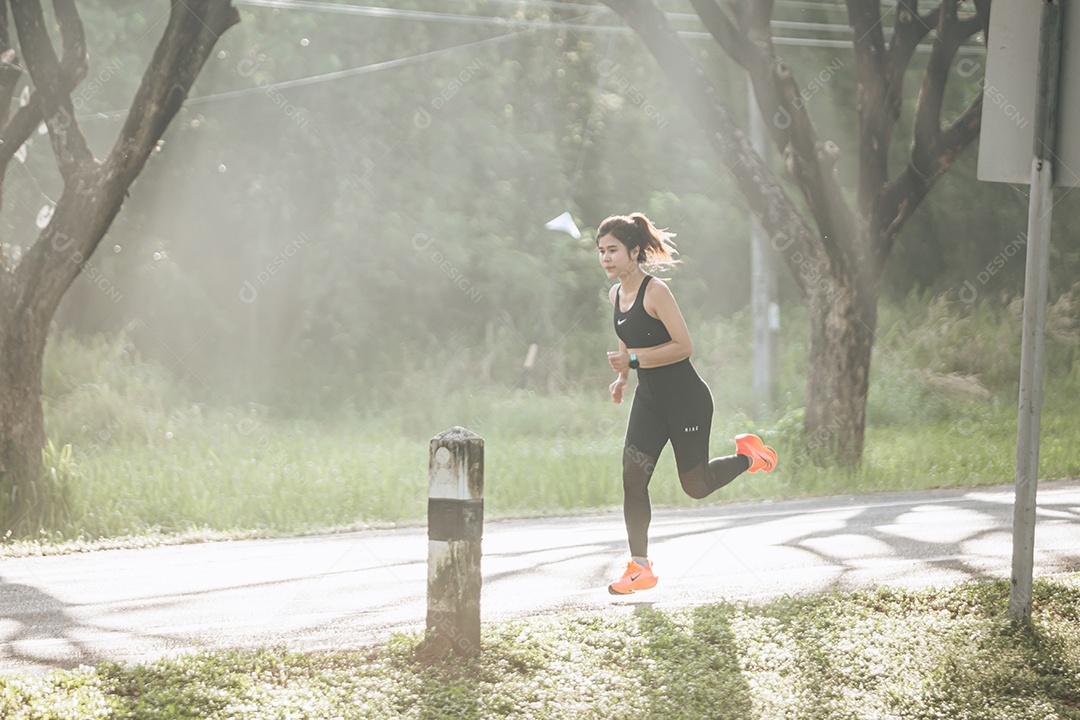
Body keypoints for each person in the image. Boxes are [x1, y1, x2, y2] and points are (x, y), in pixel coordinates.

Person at [598, 212, 777, 595]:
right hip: (649, 402)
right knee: (633, 477)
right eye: (601, 251)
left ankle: (750, 456)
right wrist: (623, 378)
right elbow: (629, 338)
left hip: (686, 403)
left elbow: (683, 347)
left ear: (633, 252)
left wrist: (632, 362)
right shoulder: (616, 294)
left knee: (695, 486)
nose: (606, 258)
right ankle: (640, 567)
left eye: (612, 250)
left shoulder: (656, 291)